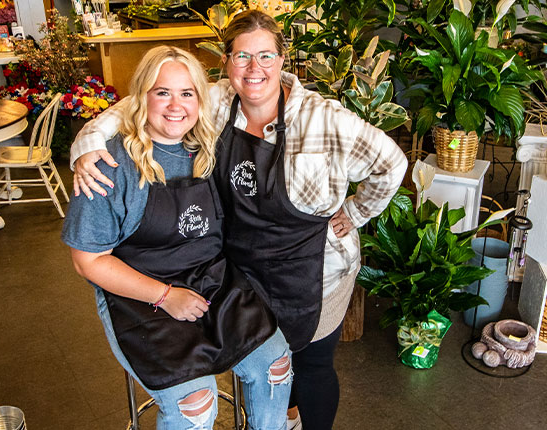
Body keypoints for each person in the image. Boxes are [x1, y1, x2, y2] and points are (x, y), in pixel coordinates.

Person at [70, 11, 407, 430]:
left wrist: (355, 212)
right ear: (226, 62)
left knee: (309, 365)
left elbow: (392, 162)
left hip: (314, 266)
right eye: (242, 56)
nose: (255, 69)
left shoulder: (324, 119)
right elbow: (127, 110)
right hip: (239, 265)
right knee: (233, 381)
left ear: (284, 59)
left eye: (266, 56)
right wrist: (85, 147)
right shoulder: (214, 101)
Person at [62, 46, 293, 430]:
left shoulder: (206, 148)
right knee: (196, 403)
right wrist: (166, 296)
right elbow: (87, 261)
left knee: (276, 364)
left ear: (199, 100)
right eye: (162, 92)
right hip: (138, 293)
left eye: (186, 94)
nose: (176, 106)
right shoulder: (110, 165)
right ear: (141, 97)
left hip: (211, 278)